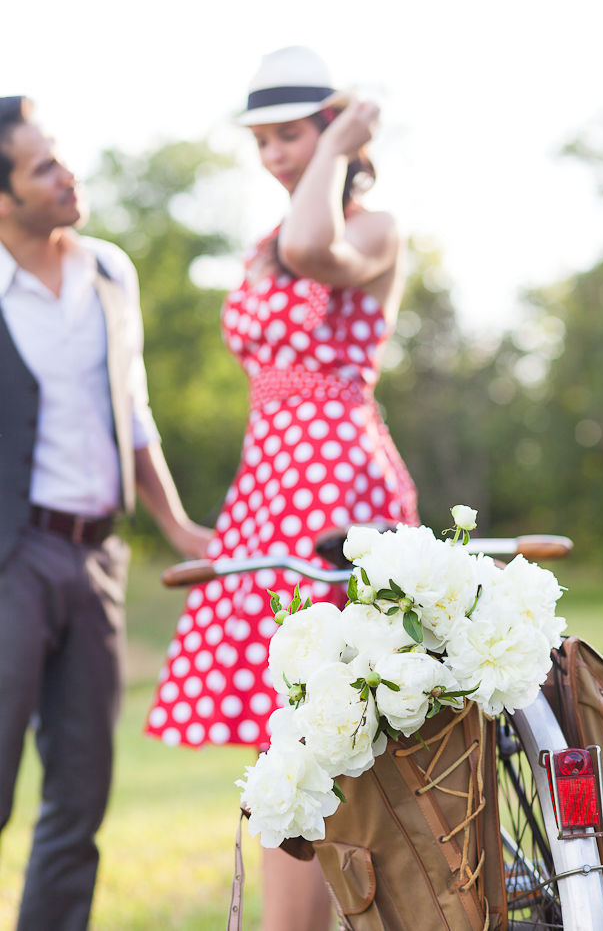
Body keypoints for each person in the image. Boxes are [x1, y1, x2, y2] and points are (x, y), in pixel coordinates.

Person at [145, 47, 419, 931]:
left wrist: (342, 136)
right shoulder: (262, 242)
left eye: (290, 136)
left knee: (330, 719)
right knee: (282, 729)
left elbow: (313, 245)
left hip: (336, 477)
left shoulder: (371, 230)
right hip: (269, 477)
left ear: (334, 132)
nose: (274, 156)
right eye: (262, 142)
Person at [0, 97, 213, 931]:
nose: (66, 175)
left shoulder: (111, 271)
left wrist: (176, 522)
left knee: (81, 793)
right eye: (41, 167)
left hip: (97, 560)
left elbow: (133, 413)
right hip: (13, 557)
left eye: (62, 158)